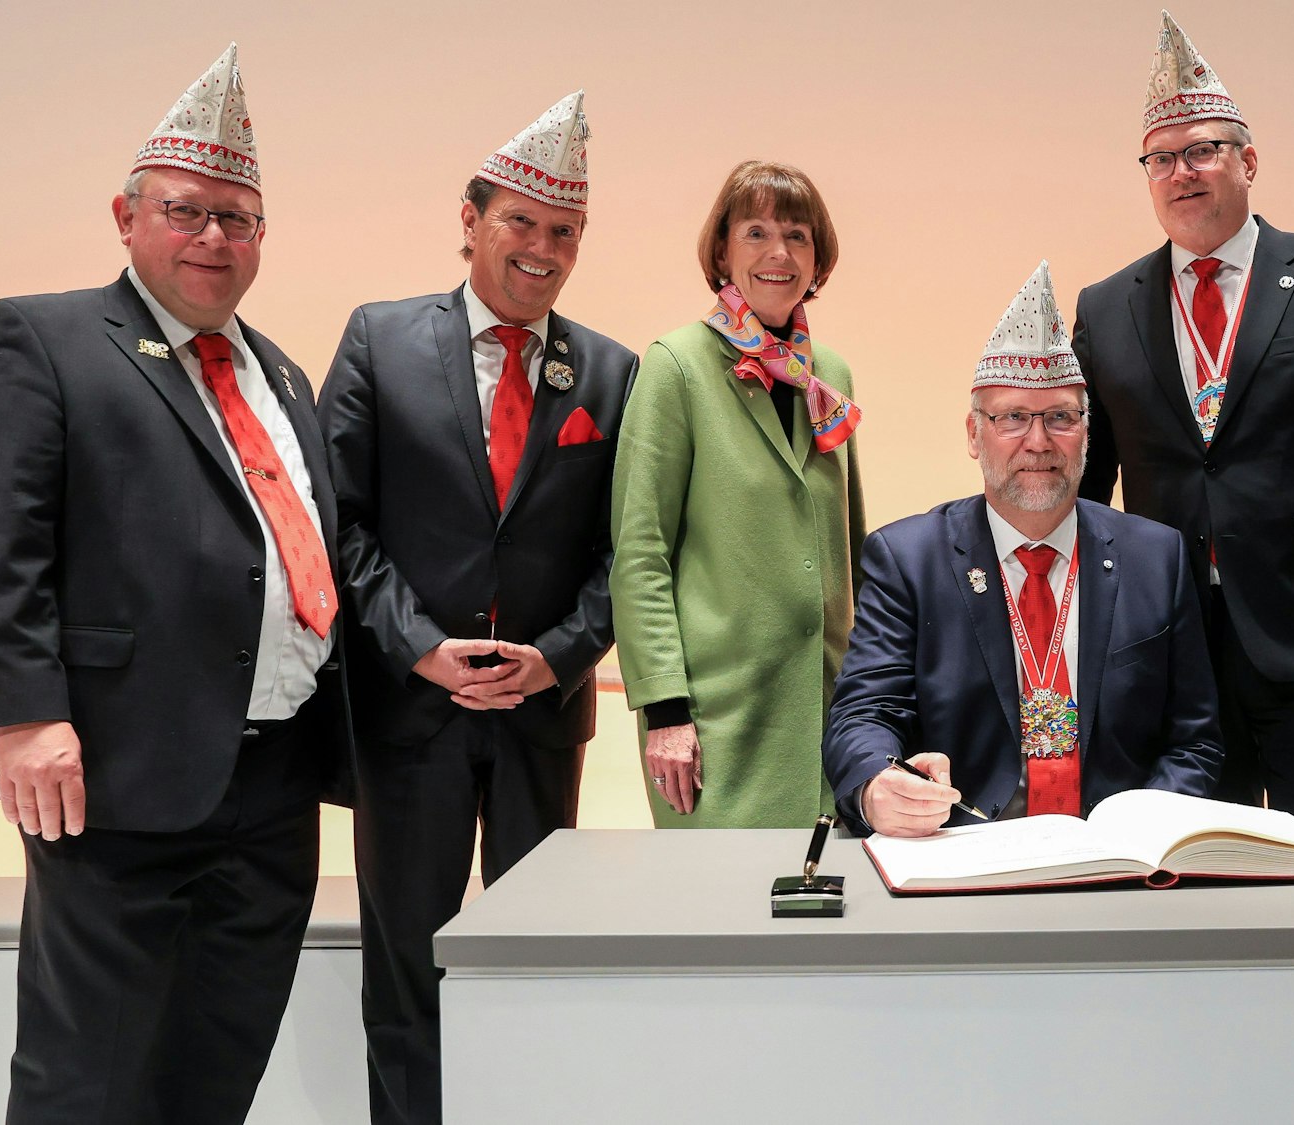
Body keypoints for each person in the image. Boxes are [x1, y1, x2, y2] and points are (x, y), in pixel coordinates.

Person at [0, 45, 351, 1124]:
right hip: (116, 774)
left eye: (237, 218)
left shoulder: (282, 372)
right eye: (186, 210)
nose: (213, 236)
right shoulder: (41, 337)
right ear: (126, 217)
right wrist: (23, 714)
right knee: (90, 1077)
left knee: (216, 1070)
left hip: (272, 786)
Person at [317, 92, 636, 1125]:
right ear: (469, 220)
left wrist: (559, 656)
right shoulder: (378, 339)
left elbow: (624, 552)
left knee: (537, 956)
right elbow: (337, 522)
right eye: (520, 222)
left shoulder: (612, 371)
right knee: (408, 966)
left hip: (543, 720)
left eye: (564, 233)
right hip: (409, 718)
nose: (541, 248)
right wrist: (417, 648)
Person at [1073, 11, 1294, 823]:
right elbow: (1085, 491)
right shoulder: (1104, 307)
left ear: (1248, 160)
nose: (1182, 172)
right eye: (1163, 158)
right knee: (1190, 885)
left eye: (1203, 151)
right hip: (1168, 650)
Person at [825, 262, 1224, 836]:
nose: (1038, 442)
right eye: (1012, 417)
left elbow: (1195, 739)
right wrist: (877, 783)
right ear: (972, 434)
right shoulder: (907, 559)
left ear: (1087, 432)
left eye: (1060, 417)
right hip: (961, 847)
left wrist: (1140, 827)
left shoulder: (1156, 558)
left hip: (1116, 859)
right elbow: (864, 714)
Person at [611, 161, 864, 827]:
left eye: (797, 235)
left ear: (819, 257)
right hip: (712, 726)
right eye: (756, 232)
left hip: (824, 713)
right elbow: (640, 552)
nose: (779, 253)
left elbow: (849, 547)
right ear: (722, 250)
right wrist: (664, 709)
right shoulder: (676, 366)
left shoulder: (828, 374)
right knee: (718, 918)